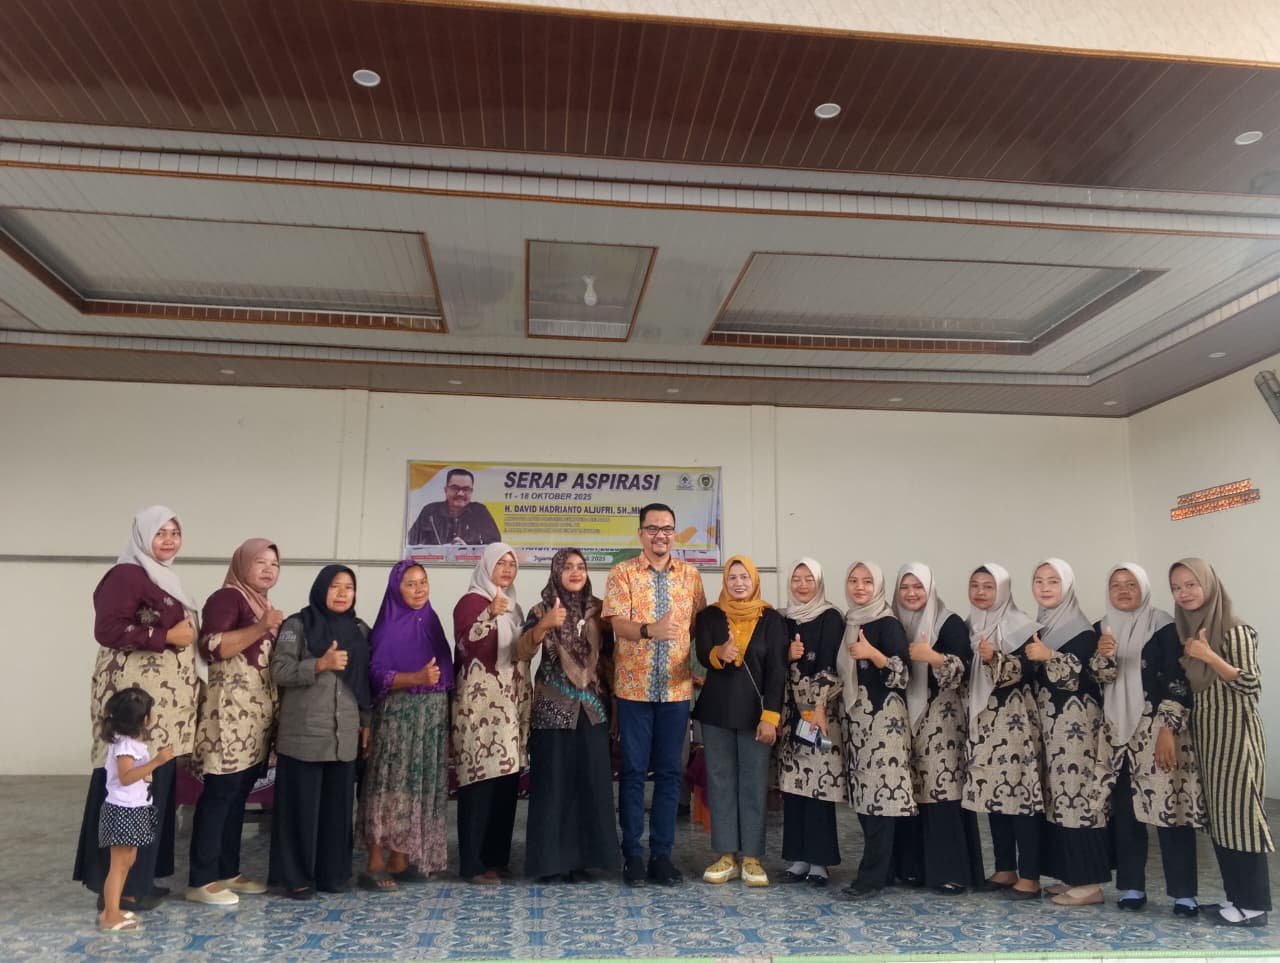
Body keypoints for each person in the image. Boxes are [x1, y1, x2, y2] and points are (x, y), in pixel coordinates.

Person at [73, 506, 199, 914]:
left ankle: (141, 879)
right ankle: (117, 889)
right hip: (135, 706)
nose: (169, 540)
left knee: (153, 790)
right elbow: (107, 629)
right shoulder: (127, 574)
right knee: (126, 787)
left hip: (163, 710)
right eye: (160, 532)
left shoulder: (162, 577)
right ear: (143, 536)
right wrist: (166, 636)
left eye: (175, 532)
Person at [603, 503, 707, 886]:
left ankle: (662, 856)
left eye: (667, 528)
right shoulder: (622, 573)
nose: (660, 535)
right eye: (652, 528)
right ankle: (632, 855)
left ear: (674, 534)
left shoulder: (691, 576)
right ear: (641, 534)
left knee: (669, 773)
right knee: (632, 772)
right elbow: (617, 624)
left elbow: (699, 627)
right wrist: (650, 631)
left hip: (676, 690)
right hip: (634, 690)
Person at [1092, 563, 1204, 915]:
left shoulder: (1164, 626)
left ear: (1144, 588)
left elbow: (1177, 678)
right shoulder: (1102, 628)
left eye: (1131, 584)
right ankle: (1132, 887)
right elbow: (1098, 683)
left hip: (1157, 730)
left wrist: (1168, 729)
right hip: (1117, 734)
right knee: (1126, 814)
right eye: (1116, 585)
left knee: (1171, 811)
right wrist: (1103, 657)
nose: (1123, 590)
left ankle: (1184, 894)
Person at [1172, 557, 1273, 927]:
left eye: (1191, 584)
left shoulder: (1234, 630)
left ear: (1209, 585)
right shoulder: (1191, 630)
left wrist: (1210, 656)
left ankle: (1255, 906)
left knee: (1243, 819)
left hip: (1237, 741)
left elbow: (1251, 685)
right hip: (1209, 740)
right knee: (1223, 821)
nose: (1184, 593)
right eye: (1176, 587)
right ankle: (1236, 898)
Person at [187, 538, 284, 906]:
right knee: (220, 794)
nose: (269, 569)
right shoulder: (227, 598)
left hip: (254, 719)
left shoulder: (261, 604)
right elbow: (211, 647)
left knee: (239, 794)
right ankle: (201, 879)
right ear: (242, 564)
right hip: (227, 715)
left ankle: (228, 870)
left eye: (274, 564)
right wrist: (261, 627)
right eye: (260, 562)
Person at [516, 548, 621, 882]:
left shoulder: (600, 611)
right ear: (556, 572)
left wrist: (615, 705)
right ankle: (551, 863)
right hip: (552, 710)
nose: (575, 572)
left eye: (581, 566)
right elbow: (521, 651)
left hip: (593, 709)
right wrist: (544, 626)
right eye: (568, 567)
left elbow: (609, 660)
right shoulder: (541, 609)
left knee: (590, 784)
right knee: (554, 786)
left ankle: (585, 861)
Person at [268, 565, 371, 899]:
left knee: (338, 812)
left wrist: (366, 722)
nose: (342, 594)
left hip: (344, 735)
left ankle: (333, 875)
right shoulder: (297, 625)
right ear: (320, 588)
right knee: (300, 811)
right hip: (304, 735)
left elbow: (364, 681)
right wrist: (320, 664)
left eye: (349, 587)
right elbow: (279, 670)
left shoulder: (360, 629)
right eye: (335, 586)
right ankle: (295, 877)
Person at [359, 559, 455, 891]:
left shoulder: (430, 620)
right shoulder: (388, 626)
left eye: (423, 582)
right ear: (396, 588)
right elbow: (375, 675)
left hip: (430, 720)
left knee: (415, 785)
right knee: (389, 784)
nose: (418, 589)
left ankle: (400, 857)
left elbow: (445, 672)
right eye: (410, 584)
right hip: (398, 719)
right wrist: (415, 678)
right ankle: (375, 861)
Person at [692, 555, 786, 887]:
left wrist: (771, 717)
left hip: (756, 716)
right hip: (716, 712)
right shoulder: (710, 616)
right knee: (720, 782)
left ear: (755, 580)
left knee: (753, 783)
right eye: (732, 577)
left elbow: (777, 671)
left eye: (745, 577)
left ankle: (752, 857)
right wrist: (719, 653)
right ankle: (726, 855)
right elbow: (702, 653)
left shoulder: (772, 620)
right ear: (725, 582)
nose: (738, 583)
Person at [894, 562, 985, 894]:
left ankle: (951, 872)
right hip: (904, 719)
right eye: (905, 587)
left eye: (918, 586)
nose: (911, 593)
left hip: (942, 722)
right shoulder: (894, 622)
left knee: (942, 794)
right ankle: (913, 868)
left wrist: (932, 657)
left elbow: (963, 671)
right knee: (910, 794)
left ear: (930, 588)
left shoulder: (949, 623)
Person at [1027, 558, 1109, 907]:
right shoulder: (1042, 624)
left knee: (1078, 800)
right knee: (1058, 802)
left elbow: (1080, 679)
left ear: (1068, 586)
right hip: (1050, 727)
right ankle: (1069, 875)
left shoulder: (1081, 630)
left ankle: (1089, 883)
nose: (1045, 587)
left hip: (1076, 729)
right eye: (1039, 580)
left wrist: (1049, 656)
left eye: (1054, 581)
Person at [962, 563, 1044, 899]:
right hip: (983, 722)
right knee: (995, 795)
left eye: (988, 586)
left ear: (1003, 590)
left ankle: (1031, 876)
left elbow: (1028, 669)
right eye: (975, 585)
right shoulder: (969, 625)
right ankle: (1005, 868)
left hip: (1014, 722)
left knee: (1020, 797)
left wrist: (995, 658)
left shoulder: (1022, 626)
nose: (980, 592)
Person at [451, 542, 532, 883]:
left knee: (505, 783)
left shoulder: (515, 607)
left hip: (510, 707)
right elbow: (465, 645)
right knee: (479, 782)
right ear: (486, 566)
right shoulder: (470, 602)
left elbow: (520, 653)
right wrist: (488, 614)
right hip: (479, 708)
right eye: (501, 563)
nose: (508, 569)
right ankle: (473, 863)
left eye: (512, 564)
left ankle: (497, 859)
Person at [836, 561, 915, 900]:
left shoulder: (888, 623)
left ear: (878, 586)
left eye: (867, 581)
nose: (860, 587)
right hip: (856, 722)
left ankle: (871, 878)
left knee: (882, 800)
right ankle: (887, 869)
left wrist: (874, 655)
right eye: (853, 580)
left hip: (885, 724)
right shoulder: (850, 621)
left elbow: (904, 675)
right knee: (865, 800)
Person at [775, 558, 846, 887]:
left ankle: (819, 862)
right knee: (793, 786)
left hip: (818, 712)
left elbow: (831, 663)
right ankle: (798, 858)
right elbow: (772, 661)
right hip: (791, 713)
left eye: (809, 579)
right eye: (797, 578)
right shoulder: (783, 618)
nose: (802, 585)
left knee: (819, 783)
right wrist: (786, 655)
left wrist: (819, 705)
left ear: (819, 582)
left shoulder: (830, 617)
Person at [95, 687, 173, 933]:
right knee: (118, 865)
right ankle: (110, 914)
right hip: (123, 810)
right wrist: (157, 762)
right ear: (144, 719)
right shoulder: (126, 746)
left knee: (128, 860)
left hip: (134, 808)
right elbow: (126, 777)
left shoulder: (130, 742)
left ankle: (114, 909)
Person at [407, 468, 501, 546]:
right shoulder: (430, 511)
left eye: (466, 489)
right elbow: (410, 542)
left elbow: (495, 546)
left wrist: (467, 550)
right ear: (446, 490)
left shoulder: (480, 512)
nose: (460, 493)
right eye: (455, 488)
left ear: (471, 492)